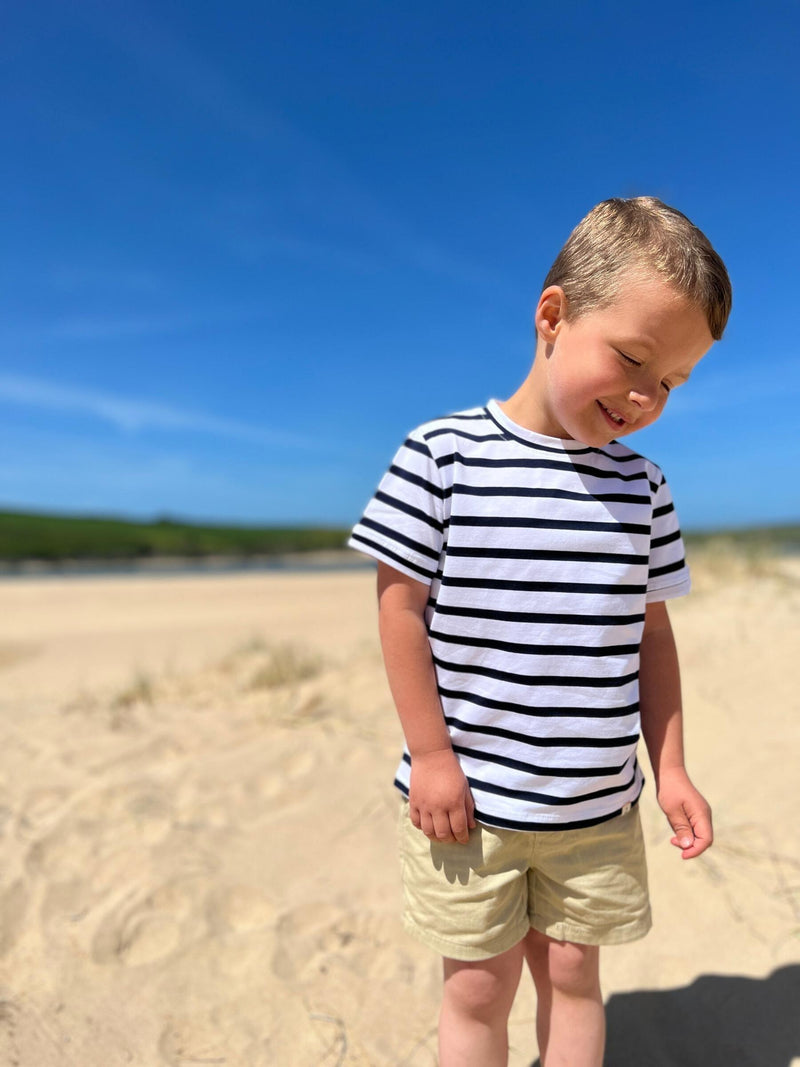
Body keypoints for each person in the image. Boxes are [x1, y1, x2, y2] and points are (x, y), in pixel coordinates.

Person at [348, 196, 731, 1067]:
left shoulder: (643, 489)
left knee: (571, 975)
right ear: (554, 315)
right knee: (477, 986)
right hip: (467, 802)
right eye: (634, 359)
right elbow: (398, 610)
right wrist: (433, 754)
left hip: (594, 803)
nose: (645, 395)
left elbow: (650, 638)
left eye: (671, 381)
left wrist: (668, 765)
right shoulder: (440, 455)